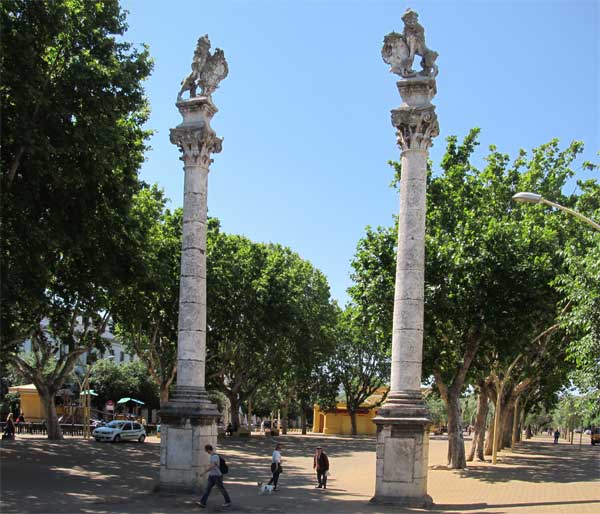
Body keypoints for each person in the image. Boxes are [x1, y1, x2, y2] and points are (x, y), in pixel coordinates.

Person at [197, 444, 231, 509]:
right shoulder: (213, 456)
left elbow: (212, 466)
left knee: (221, 489)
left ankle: (228, 501)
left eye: (206, 451)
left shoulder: (214, 456)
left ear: (209, 450)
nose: (207, 452)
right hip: (212, 476)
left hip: (217, 476)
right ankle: (203, 502)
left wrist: (204, 472)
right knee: (207, 489)